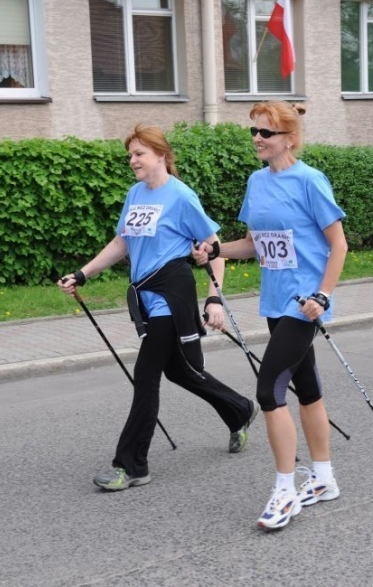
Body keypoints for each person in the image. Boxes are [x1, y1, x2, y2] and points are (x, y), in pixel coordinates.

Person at [58, 124, 258, 492]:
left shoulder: (181, 197)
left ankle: (131, 464)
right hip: (145, 298)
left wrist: (214, 298)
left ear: (161, 155)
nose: (132, 160)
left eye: (139, 154)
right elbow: (122, 242)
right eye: (130, 155)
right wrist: (81, 274)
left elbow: (213, 247)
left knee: (146, 374)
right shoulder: (136, 194)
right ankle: (239, 409)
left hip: (171, 296)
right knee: (181, 371)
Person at [194, 101, 349, 530]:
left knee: (269, 391)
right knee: (309, 387)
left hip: (304, 305)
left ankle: (284, 491)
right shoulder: (256, 182)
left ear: (290, 138)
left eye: (267, 133)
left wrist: (324, 294)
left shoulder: (310, 181)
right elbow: (254, 244)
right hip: (274, 301)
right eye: (254, 133)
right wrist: (217, 249)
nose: (258, 139)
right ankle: (323, 478)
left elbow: (339, 245)